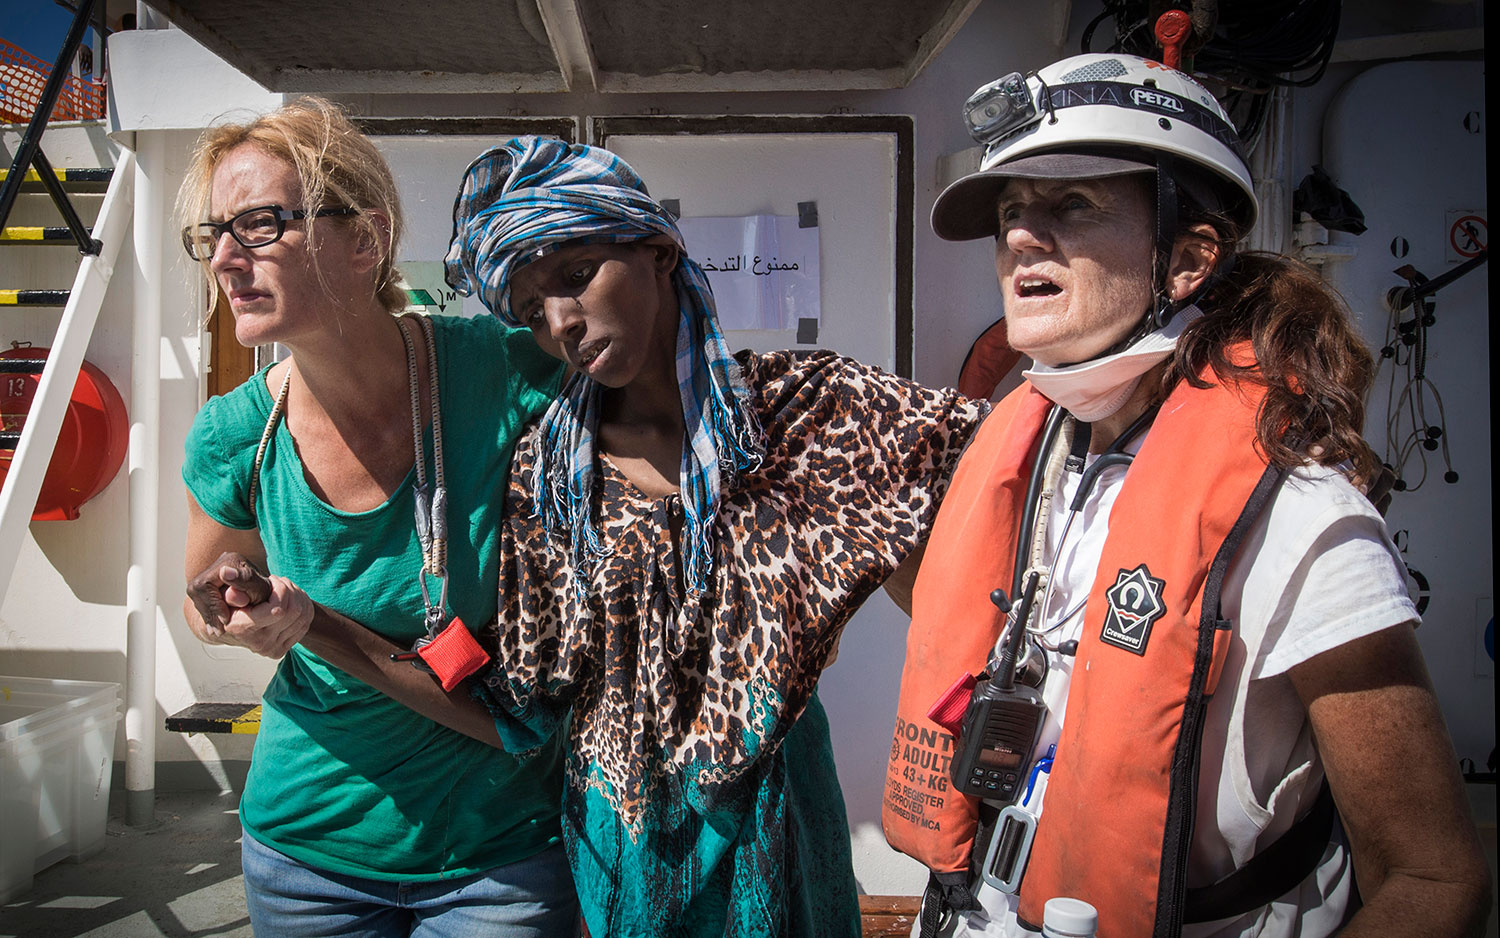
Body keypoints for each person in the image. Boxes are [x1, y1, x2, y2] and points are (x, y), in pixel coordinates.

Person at [193, 136, 990, 937]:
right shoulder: (550, 479)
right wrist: (311, 628)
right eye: (532, 310)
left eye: (576, 276)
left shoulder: (808, 413)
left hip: (780, 833)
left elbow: (965, 581)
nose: (563, 322)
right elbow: (517, 711)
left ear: (657, 248)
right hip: (623, 855)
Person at [882, 54, 1491, 938]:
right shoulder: (1026, 449)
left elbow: (1436, 879)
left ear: (1187, 259)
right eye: (1012, 212)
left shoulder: (1305, 517)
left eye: (1072, 205)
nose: (1019, 237)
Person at [177, 98, 578, 936]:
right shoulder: (234, 434)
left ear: (365, 239)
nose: (223, 258)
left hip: (501, 852)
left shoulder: (499, 373)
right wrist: (233, 607)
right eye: (211, 233)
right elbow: (201, 601)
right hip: (305, 857)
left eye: (257, 223)